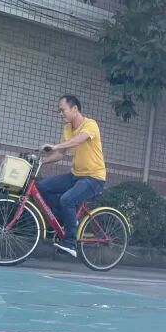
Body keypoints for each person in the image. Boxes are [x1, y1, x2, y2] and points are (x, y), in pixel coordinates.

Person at [39, 95, 107, 258]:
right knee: (42, 187)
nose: (60, 114)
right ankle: (68, 218)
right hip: (75, 175)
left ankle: (70, 244)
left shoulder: (90, 124)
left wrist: (56, 146)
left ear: (74, 109)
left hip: (94, 178)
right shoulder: (67, 129)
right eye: (59, 111)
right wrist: (41, 161)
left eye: (63, 110)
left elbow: (78, 140)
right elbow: (60, 154)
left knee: (67, 200)